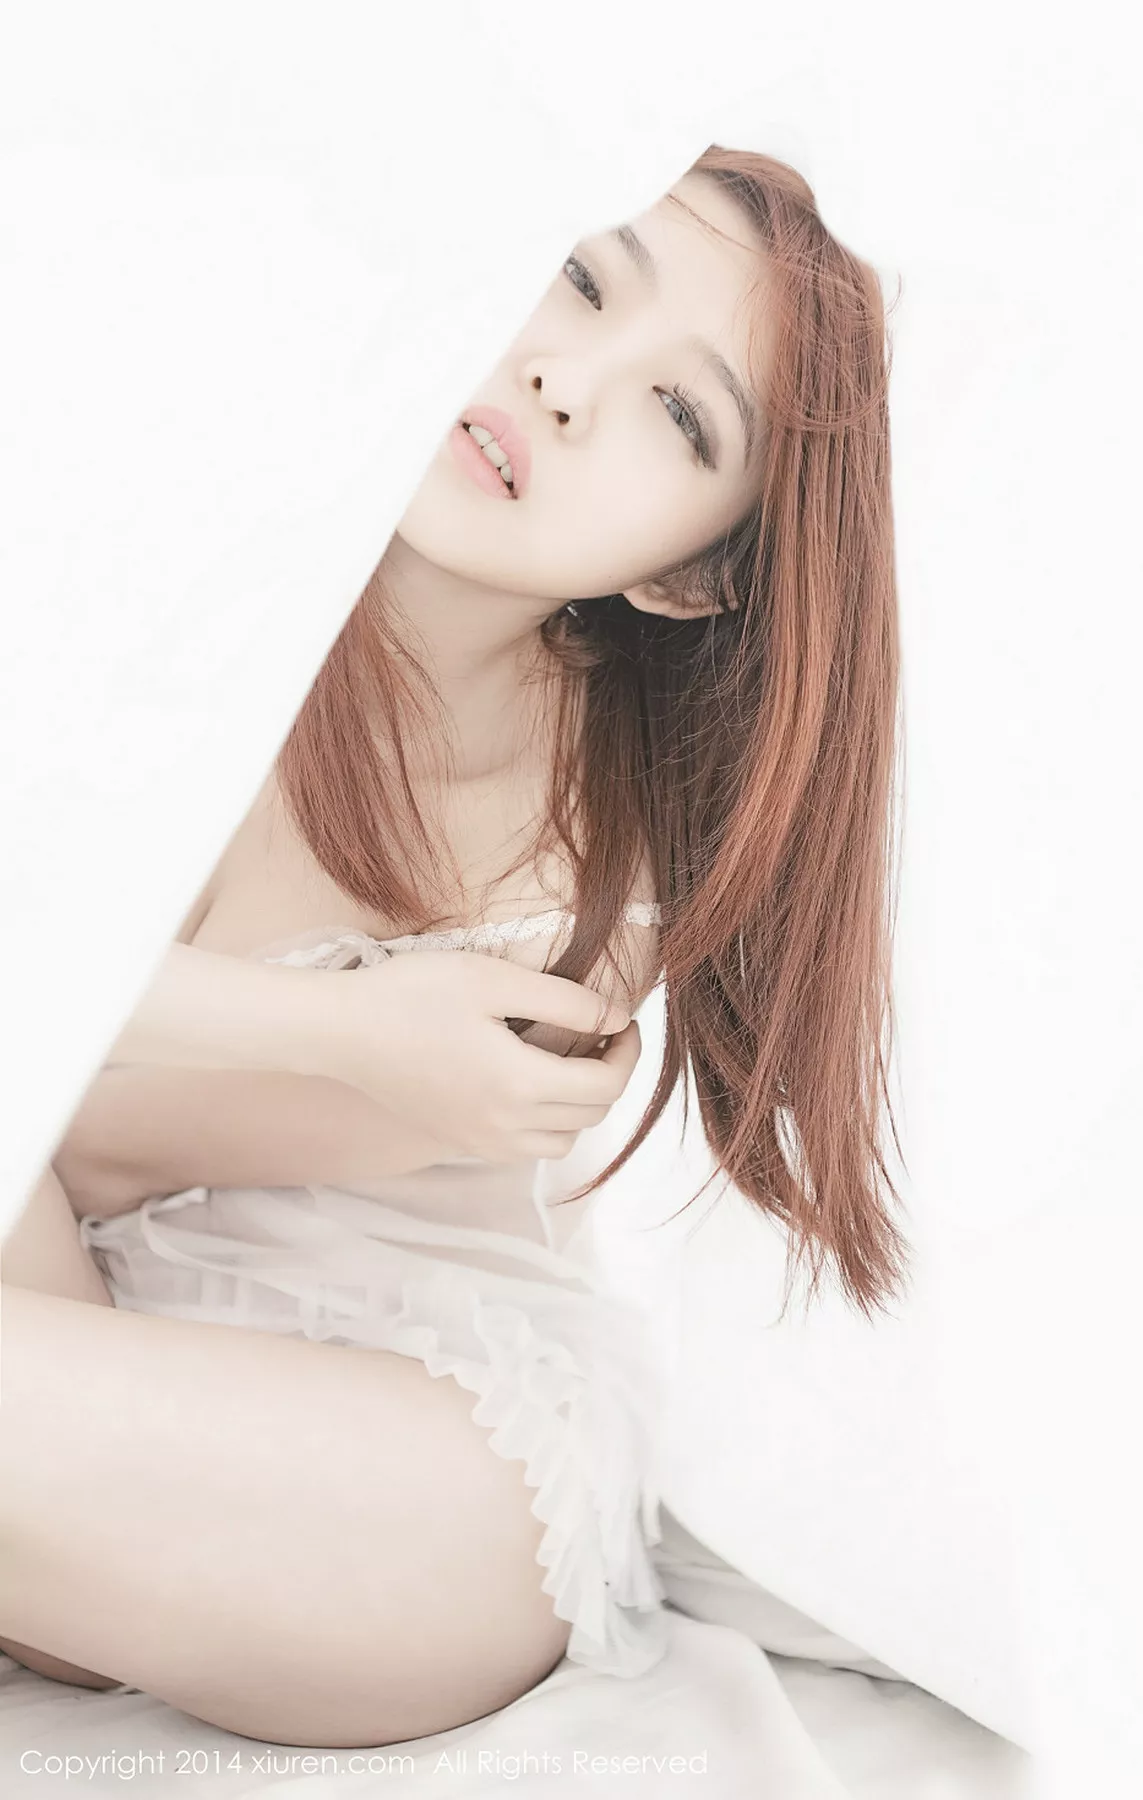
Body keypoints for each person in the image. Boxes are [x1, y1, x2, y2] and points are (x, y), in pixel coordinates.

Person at [0, 143, 910, 1747]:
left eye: (678, 414)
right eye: (581, 279)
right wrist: (342, 1030)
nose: (564, 381)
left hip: (402, 1463)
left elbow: (106, 1145)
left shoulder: (595, 878)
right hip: (66, 1348)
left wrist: (267, 1035)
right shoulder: (180, 572)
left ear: (691, 574)